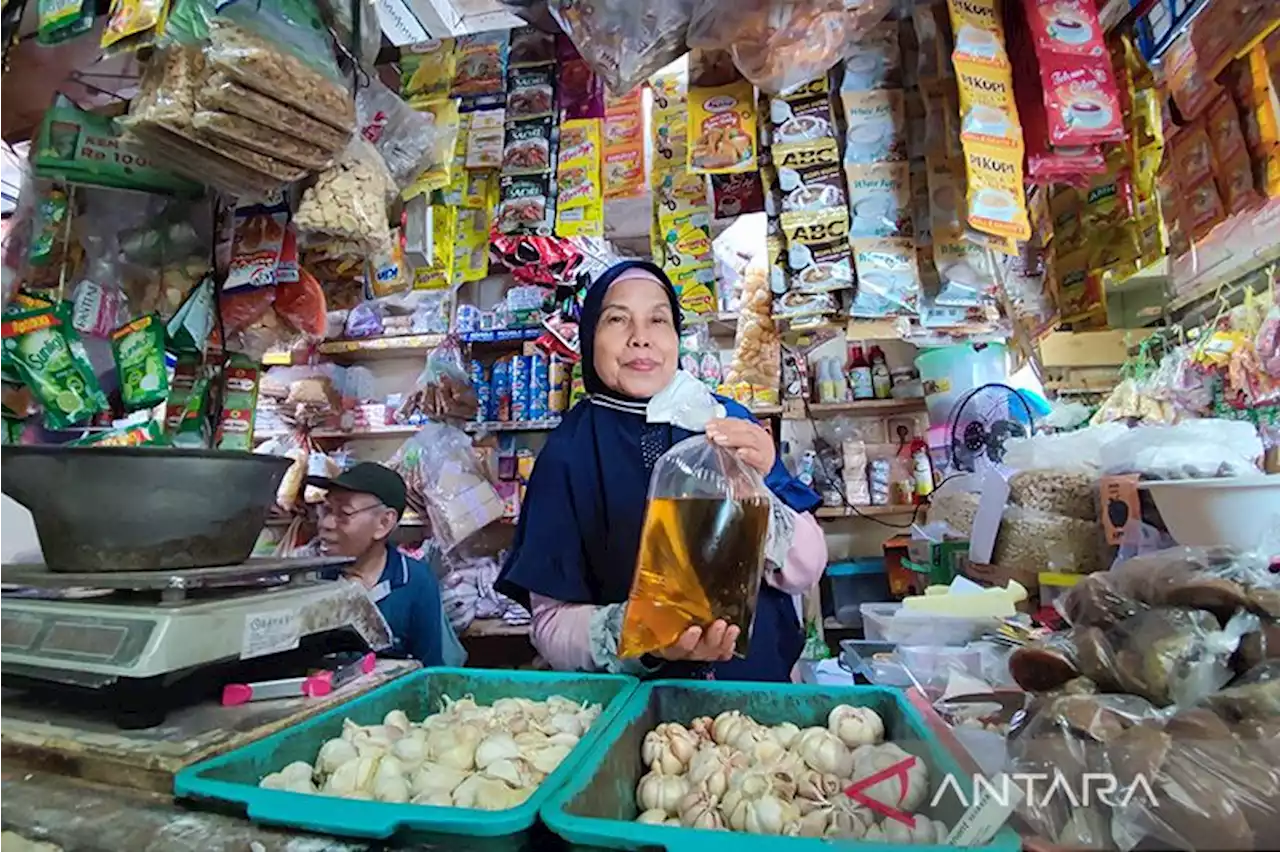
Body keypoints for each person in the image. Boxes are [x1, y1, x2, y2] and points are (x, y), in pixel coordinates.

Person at [496, 260, 828, 681]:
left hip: (756, 696)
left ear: (676, 336)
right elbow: (550, 626)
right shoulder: (569, 453)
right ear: (589, 338)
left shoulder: (729, 422)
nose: (640, 339)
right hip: (640, 709)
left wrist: (761, 485)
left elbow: (806, 569)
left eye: (658, 319)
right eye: (617, 319)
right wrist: (648, 634)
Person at [306, 462, 466, 668]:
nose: (325, 524)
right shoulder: (311, 578)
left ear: (383, 523)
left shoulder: (414, 581)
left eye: (344, 514)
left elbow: (430, 669)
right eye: (326, 510)